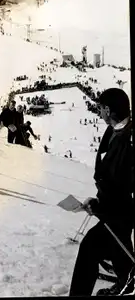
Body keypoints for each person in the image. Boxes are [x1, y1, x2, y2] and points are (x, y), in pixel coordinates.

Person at [69, 88, 134, 296]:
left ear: (108, 109)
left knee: (90, 247)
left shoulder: (129, 140)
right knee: (118, 248)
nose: (99, 113)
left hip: (118, 215)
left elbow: (124, 188)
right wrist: (97, 201)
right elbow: (111, 178)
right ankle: (127, 282)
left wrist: (100, 207)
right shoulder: (112, 131)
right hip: (111, 212)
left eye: (100, 108)